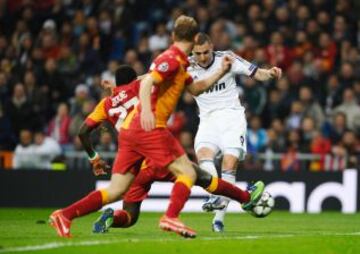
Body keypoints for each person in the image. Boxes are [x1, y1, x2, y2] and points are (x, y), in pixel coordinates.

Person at [49, 16, 264, 239]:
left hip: (132, 135)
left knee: (116, 190)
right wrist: (148, 112)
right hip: (149, 130)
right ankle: (171, 216)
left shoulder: (180, 62)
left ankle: (64, 215)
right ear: (192, 39)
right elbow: (149, 82)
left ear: (173, 36)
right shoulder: (171, 59)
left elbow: (196, 89)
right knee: (188, 172)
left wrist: (220, 72)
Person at [187, 33, 282, 232]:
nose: (202, 57)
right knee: (204, 155)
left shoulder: (227, 58)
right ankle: (216, 196)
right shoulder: (186, 65)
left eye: (205, 52)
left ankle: (218, 221)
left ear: (212, 46)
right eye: (198, 53)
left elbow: (256, 73)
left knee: (229, 164)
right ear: (192, 51)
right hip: (207, 120)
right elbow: (155, 76)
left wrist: (271, 73)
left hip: (231, 117)